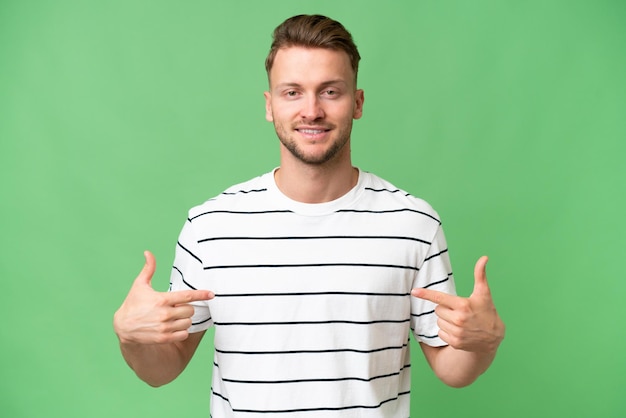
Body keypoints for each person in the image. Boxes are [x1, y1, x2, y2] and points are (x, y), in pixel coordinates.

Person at [113, 14, 505, 417]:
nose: (312, 110)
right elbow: (163, 369)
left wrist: (483, 342)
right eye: (292, 92)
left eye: (330, 91)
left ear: (357, 102)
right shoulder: (211, 225)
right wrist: (131, 337)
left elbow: (452, 369)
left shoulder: (413, 223)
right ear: (270, 105)